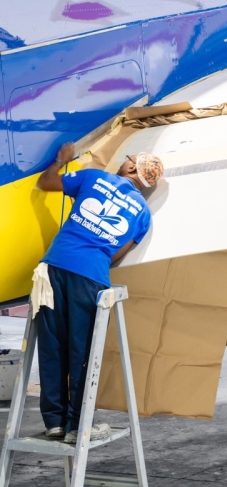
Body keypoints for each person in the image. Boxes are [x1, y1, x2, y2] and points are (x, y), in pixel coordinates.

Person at [33, 144, 164, 444]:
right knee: (83, 352)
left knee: (52, 345)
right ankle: (79, 426)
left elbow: (45, 183)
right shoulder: (143, 215)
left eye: (128, 159)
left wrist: (60, 161)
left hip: (54, 267)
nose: (123, 161)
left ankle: (54, 421)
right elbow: (116, 256)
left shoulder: (93, 178)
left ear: (132, 168)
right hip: (90, 276)